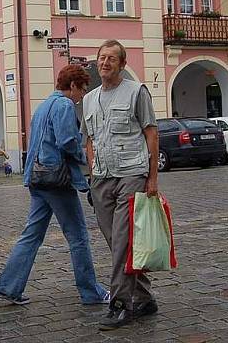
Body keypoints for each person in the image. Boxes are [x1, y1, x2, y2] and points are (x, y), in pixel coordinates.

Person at [0, 65, 109, 306]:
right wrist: (86, 157)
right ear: (73, 86)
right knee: (78, 236)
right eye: (83, 89)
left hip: (38, 178)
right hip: (57, 180)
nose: (82, 96)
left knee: (31, 234)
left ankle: (8, 287)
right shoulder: (65, 105)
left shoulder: (43, 105)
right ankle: (91, 292)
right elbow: (67, 141)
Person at [81, 39, 159, 330]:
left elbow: (151, 134)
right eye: (102, 57)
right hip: (102, 177)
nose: (105, 63)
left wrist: (152, 178)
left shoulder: (136, 92)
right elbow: (89, 139)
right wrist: (91, 174)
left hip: (131, 174)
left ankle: (121, 304)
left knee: (123, 242)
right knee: (116, 242)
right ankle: (145, 297)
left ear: (122, 64)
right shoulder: (89, 99)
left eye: (112, 58)